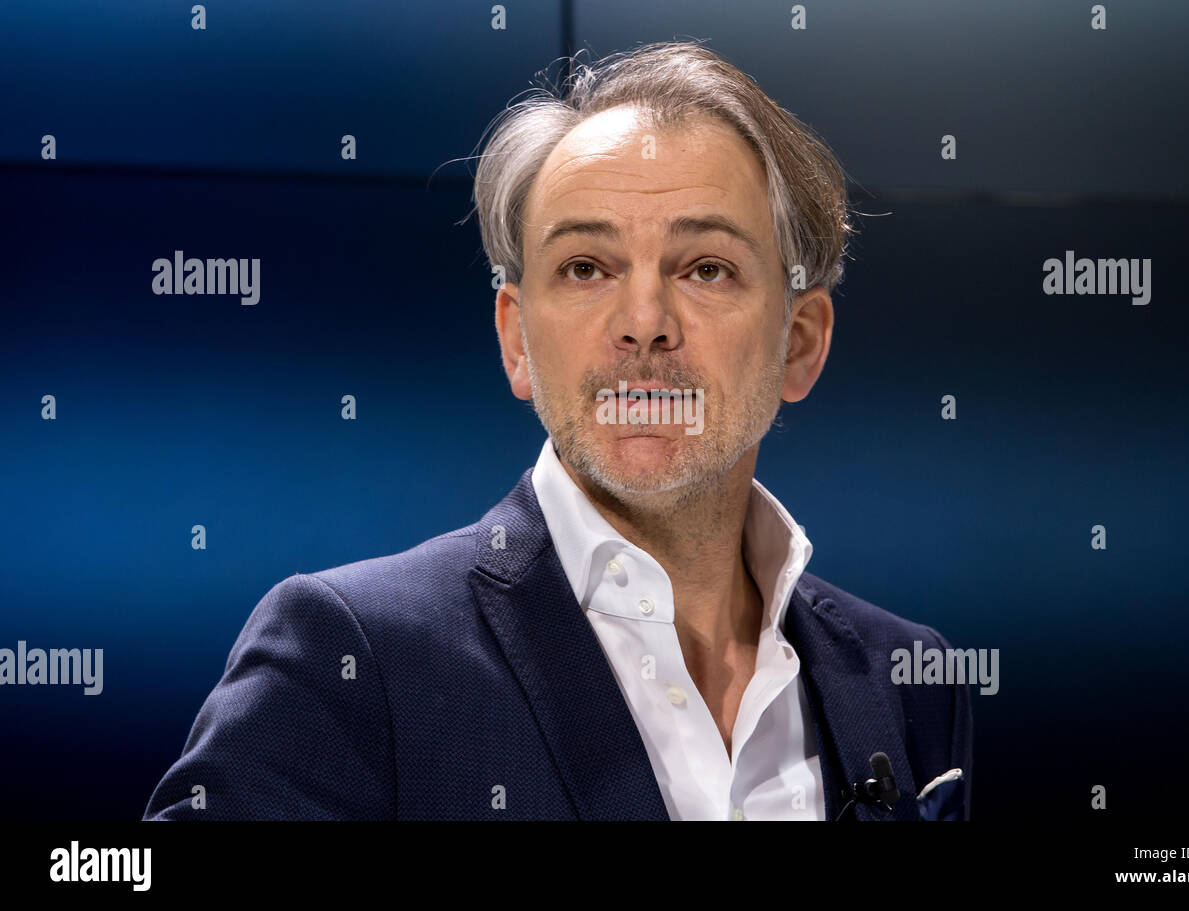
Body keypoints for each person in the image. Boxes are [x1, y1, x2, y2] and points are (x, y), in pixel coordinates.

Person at [143, 39, 971, 821]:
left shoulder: (907, 677)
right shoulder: (351, 656)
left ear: (801, 341)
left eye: (706, 268)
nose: (643, 322)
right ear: (516, 340)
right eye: (586, 268)